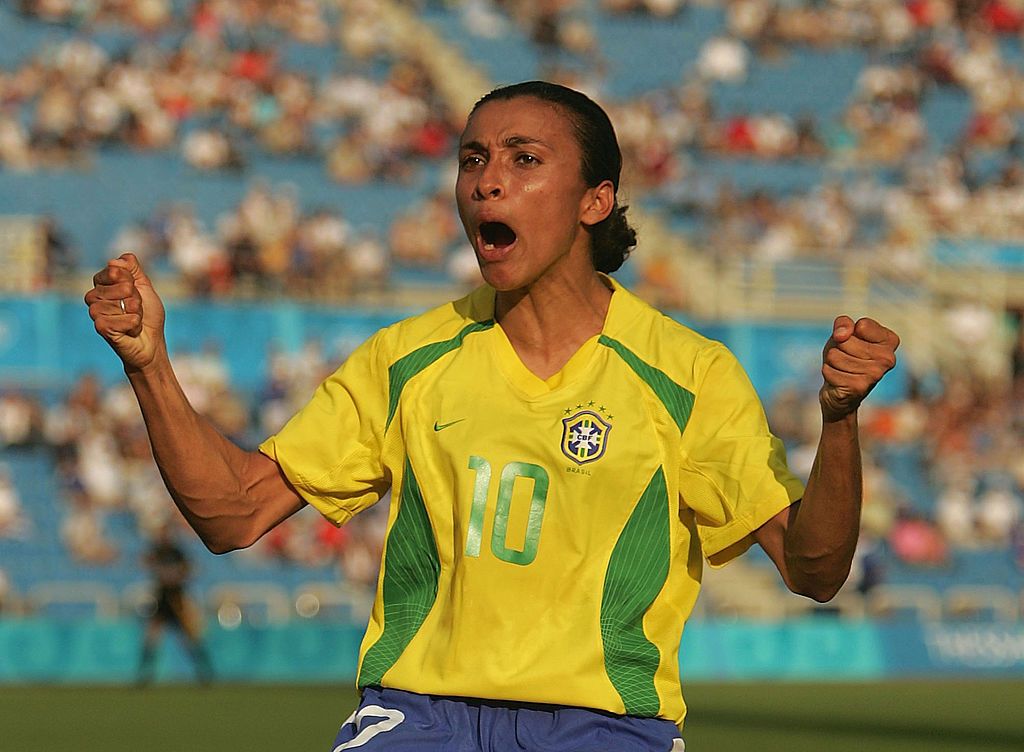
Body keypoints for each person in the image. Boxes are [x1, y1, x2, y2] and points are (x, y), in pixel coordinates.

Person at [85, 80, 900, 751]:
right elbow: (232, 512)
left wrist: (838, 420)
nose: (487, 181)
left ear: (595, 200)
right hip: (416, 719)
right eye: (473, 159)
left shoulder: (689, 375)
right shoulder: (409, 358)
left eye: (523, 159)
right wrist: (149, 365)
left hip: (604, 729)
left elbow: (814, 568)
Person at [137, 521, 214, 685]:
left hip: (177, 598)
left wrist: (173, 574)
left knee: (189, 639)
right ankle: (144, 675)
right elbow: (146, 563)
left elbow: (188, 570)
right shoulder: (157, 551)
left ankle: (205, 672)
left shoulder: (176, 552)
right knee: (151, 638)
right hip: (162, 598)